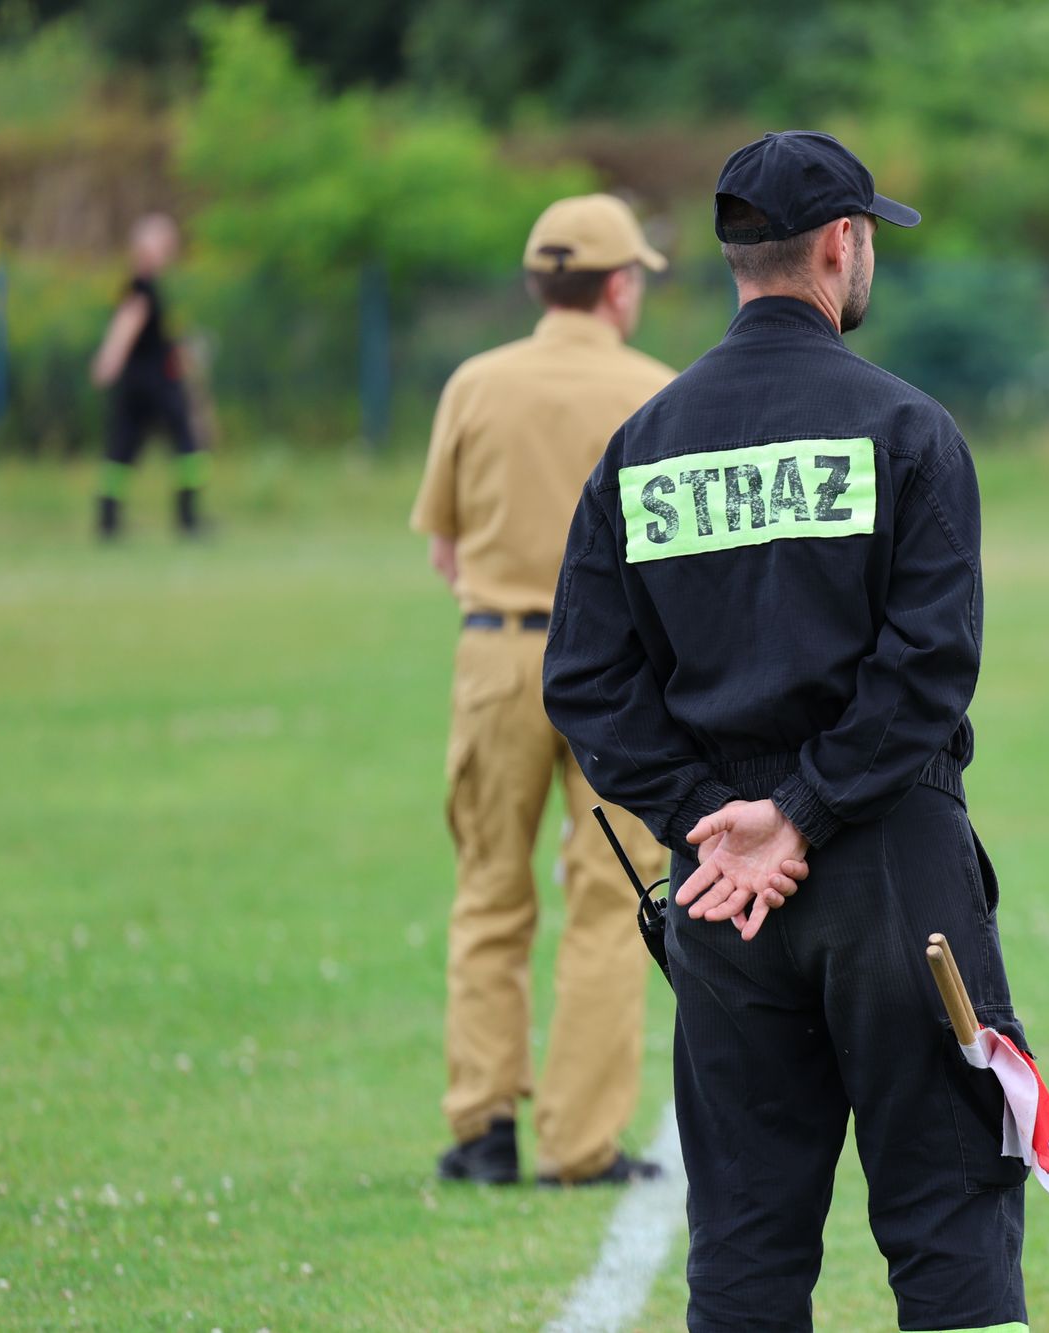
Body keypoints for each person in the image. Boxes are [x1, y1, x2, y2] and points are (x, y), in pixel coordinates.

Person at [544, 132, 1033, 1332]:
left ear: (731, 261)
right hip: (889, 871)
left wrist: (708, 824)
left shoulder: (641, 447)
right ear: (838, 244)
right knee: (948, 1207)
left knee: (747, 1239)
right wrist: (803, 812)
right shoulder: (906, 428)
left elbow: (587, 678)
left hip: (720, 890)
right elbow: (926, 669)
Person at [411, 194, 674, 1188]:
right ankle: (580, 1143)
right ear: (616, 286)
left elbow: (445, 549)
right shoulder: (657, 391)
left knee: (487, 891)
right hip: (621, 676)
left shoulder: (474, 384)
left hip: (497, 653)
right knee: (612, 897)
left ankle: (481, 1128)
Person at [88, 213, 207, 540]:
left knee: (121, 450)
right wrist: (109, 358)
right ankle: (188, 519)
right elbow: (128, 322)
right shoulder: (142, 286)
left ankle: (108, 522)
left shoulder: (141, 285)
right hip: (156, 384)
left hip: (135, 383)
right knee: (188, 446)